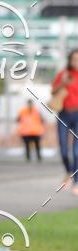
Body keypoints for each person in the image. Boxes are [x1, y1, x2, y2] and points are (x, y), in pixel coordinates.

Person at [51, 48, 78, 193]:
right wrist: (63, 82)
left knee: (77, 151)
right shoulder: (64, 74)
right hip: (64, 115)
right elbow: (53, 92)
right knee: (63, 149)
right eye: (73, 59)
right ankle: (68, 172)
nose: (76, 62)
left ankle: (76, 182)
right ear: (70, 60)